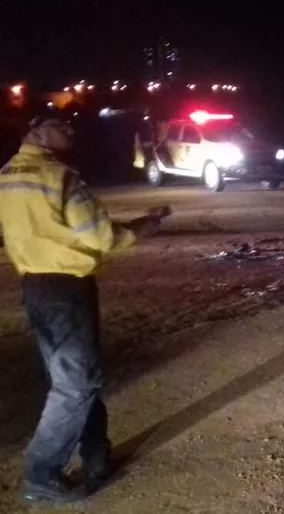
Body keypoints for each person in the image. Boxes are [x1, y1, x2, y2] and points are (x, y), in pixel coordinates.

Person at [0, 113, 160, 505]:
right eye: (60, 125)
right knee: (76, 385)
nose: (70, 129)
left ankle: (96, 456)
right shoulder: (61, 177)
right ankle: (41, 476)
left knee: (76, 376)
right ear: (36, 132)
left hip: (35, 286)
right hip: (66, 289)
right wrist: (143, 226)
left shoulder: (6, 174)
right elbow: (101, 237)